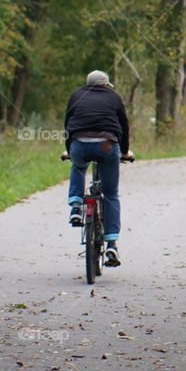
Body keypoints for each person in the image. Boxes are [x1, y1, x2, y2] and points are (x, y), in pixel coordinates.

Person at [64, 70, 133, 266]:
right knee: (111, 194)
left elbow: (67, 122)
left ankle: (76, 206)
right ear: (105, 85)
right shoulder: (114, 96)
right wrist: (125, 151)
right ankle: (112, 244)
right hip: (106, 144)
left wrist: (69, 148)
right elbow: (124, 125)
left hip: (79, 143)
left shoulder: (76, 95)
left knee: (78, 166)